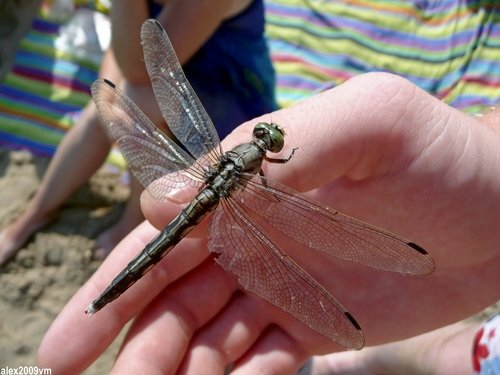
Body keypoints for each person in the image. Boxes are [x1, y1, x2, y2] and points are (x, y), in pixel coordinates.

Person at [37, 72, 500, 374]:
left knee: (164, 241)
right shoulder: (262, 171)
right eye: (268, 136)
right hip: (216, 203)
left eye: (269, 137)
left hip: (203, 196)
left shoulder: (238, 162)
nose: (270, 136)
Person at [0, 0, 276, 264]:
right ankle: (35, 214)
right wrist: (108, 102)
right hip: (162, 77)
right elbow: (123, 46)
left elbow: (138, 70)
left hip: (231, 94)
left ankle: (134, 218)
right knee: (104, 110)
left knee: (136, 100)